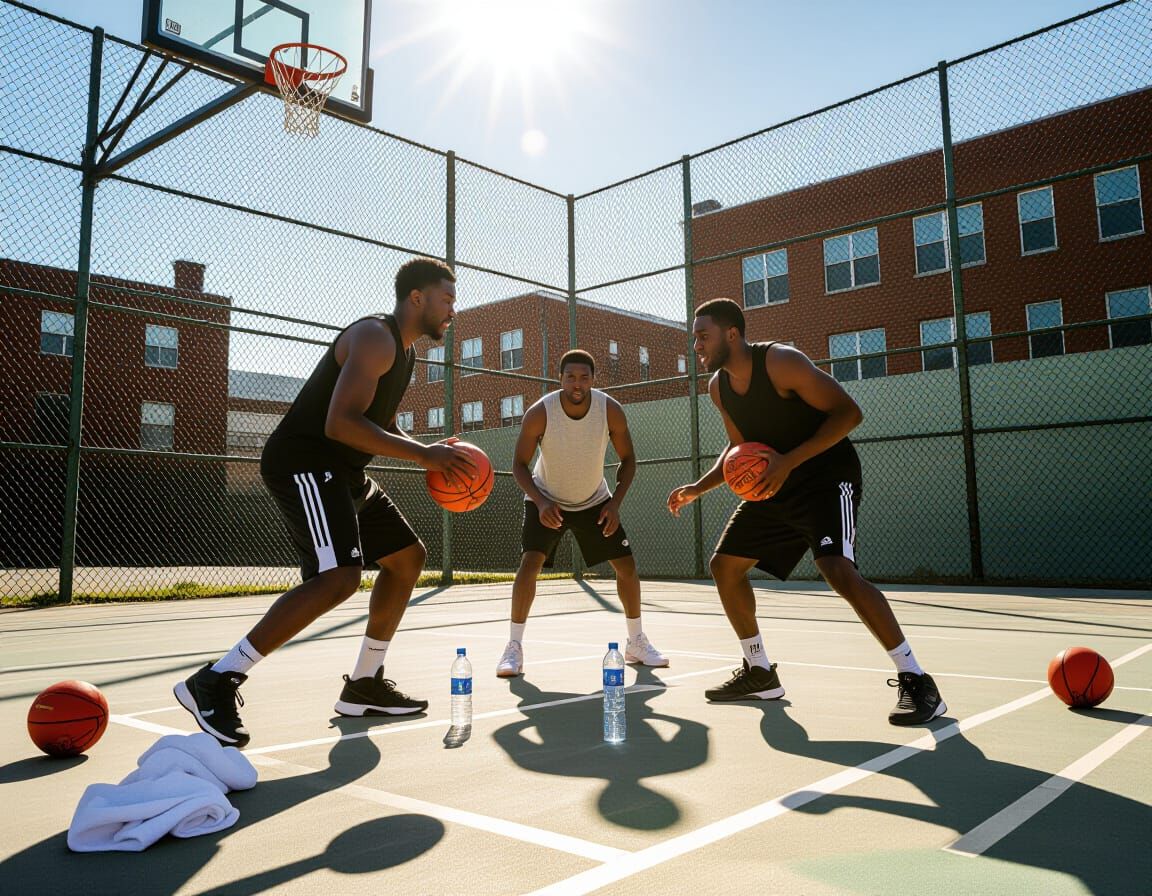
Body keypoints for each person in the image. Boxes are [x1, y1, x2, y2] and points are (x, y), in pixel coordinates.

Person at [174, 257, 478, 748]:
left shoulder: (406, 355)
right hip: (305, 460)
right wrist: (426, 456)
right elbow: (341, 423)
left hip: (343, 471)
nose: (452, 311)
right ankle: (216, 679)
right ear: (417, 298)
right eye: (447, 299)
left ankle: (363, 684)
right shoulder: (375, 337)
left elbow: (377, 423)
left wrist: (433, 450)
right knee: (338, 577)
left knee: (407, 559)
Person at [667, 298, 945, 725]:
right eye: (695, 339)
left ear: (732, 334)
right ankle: (759, 671)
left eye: (702, 336)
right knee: (725, 566)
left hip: (826, 477)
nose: (696, 346)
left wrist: (788, 462)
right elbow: (739, 449)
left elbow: (849, 413)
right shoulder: (719, 387)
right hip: (773, 483)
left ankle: (917, 680)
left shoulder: (781, 362)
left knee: (837, 569)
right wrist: (698, 488)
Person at [495, 349, 668, 677]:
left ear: (593, 379)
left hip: (594, 501)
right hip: (546, 499)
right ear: (559, 378)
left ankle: (636, 641)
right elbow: (518, 465)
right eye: (570, 376)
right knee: (530, 563)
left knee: (626, 567)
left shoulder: (609, 410)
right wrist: (541, 502)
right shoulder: (540, 413)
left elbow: (629, 460)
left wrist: (615, 503)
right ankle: (513, 648)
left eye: (584, 377)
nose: (577, 383)